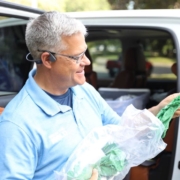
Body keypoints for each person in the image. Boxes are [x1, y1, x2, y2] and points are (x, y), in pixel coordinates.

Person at [0, 11, 180, 180]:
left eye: (84, 52)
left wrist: (158, 110)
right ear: (47, 59)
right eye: (77, 57)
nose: (87, 61)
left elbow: (122, 132)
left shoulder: (83, 90)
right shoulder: (16, 124)